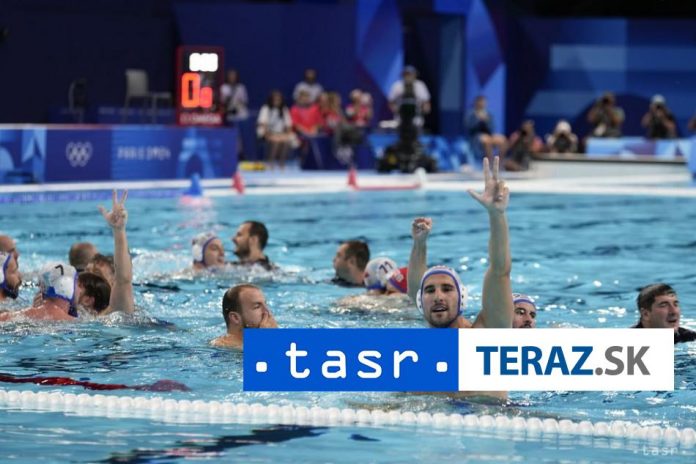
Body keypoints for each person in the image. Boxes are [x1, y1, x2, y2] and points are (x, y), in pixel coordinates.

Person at [407, 156, 513, 331]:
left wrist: (496, 214)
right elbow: (414, 289)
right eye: (430, 290)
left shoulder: (482, 333)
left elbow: (500, 272)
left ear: (462, 298)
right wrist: (419, 244)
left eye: (447, 289)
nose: (438, 297)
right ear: (420, 302)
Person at [211, 284, 278, 349]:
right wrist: (269, 337)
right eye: (257, 307)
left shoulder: (253, 344)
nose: (267, 312)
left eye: (265, 304)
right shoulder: (222, 349)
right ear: (235, 318)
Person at [257, 90, 296, 170]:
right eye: (275, 100)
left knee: (286, 141)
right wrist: (269, 134)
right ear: (271, 100)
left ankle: (282, 163)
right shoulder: (265, 108)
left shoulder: (284, 109)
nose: (277, 102)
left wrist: (286, 134)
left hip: (280, 133)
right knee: (276, 141)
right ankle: (270, 162)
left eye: (279, 100)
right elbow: (262, 124)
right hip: (267, 132)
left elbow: (288, 125)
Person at [465, 96, 507, 163]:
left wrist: (486, 121)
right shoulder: (471, 114)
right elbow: (469, 128)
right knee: (487, 140)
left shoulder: (488, 114)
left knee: (502, 139)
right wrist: (478, 120)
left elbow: (492, 129)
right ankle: (489, 163)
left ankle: (499, 163)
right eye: (481, 102)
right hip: (475, 137)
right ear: (477, 103)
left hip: (489, 135)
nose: (483, 104)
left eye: (484, 102)